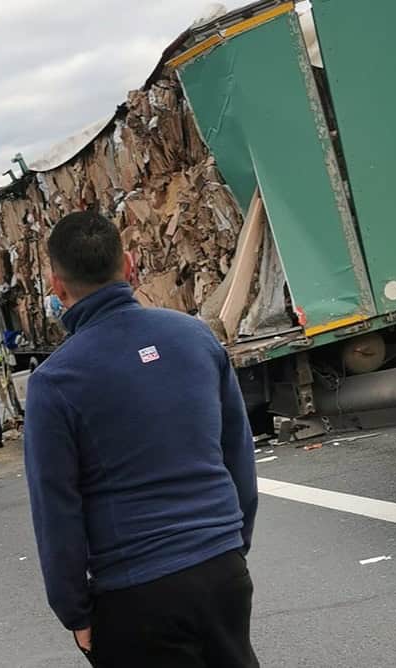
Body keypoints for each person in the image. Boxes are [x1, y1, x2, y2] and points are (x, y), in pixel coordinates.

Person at [23, 211, 259, 667]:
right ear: (129, 265)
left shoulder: (55, 382)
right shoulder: (196, 338)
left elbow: (56, 509)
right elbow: (238, 455)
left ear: (58, 287)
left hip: (134, 591)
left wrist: (74, 611)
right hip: (222, 568)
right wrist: (231, 542)